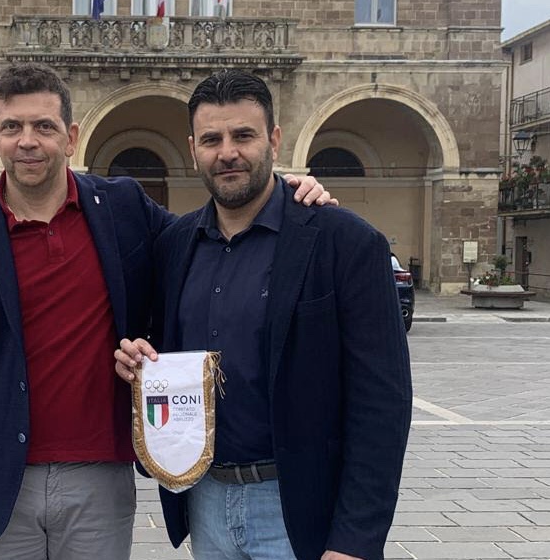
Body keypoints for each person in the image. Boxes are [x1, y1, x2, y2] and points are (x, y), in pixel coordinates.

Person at [0, 62, 331, 560]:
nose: (28, 141)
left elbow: (208, 235)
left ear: (70, 137)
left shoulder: (122, 206)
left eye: (44, 126)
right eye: (12, 127)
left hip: (99, 475)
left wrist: (287, 193)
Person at [116, 69, 412, 560]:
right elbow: (157, 346)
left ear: (274, 140)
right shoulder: (174, 245)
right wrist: (137, 359)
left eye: (243, 135)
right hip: (205, 502)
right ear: (193, 149)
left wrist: (355, 540)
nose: (227, 152)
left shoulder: (345, 242)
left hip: (300, 512)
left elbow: (382, 402)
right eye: (211, 139)